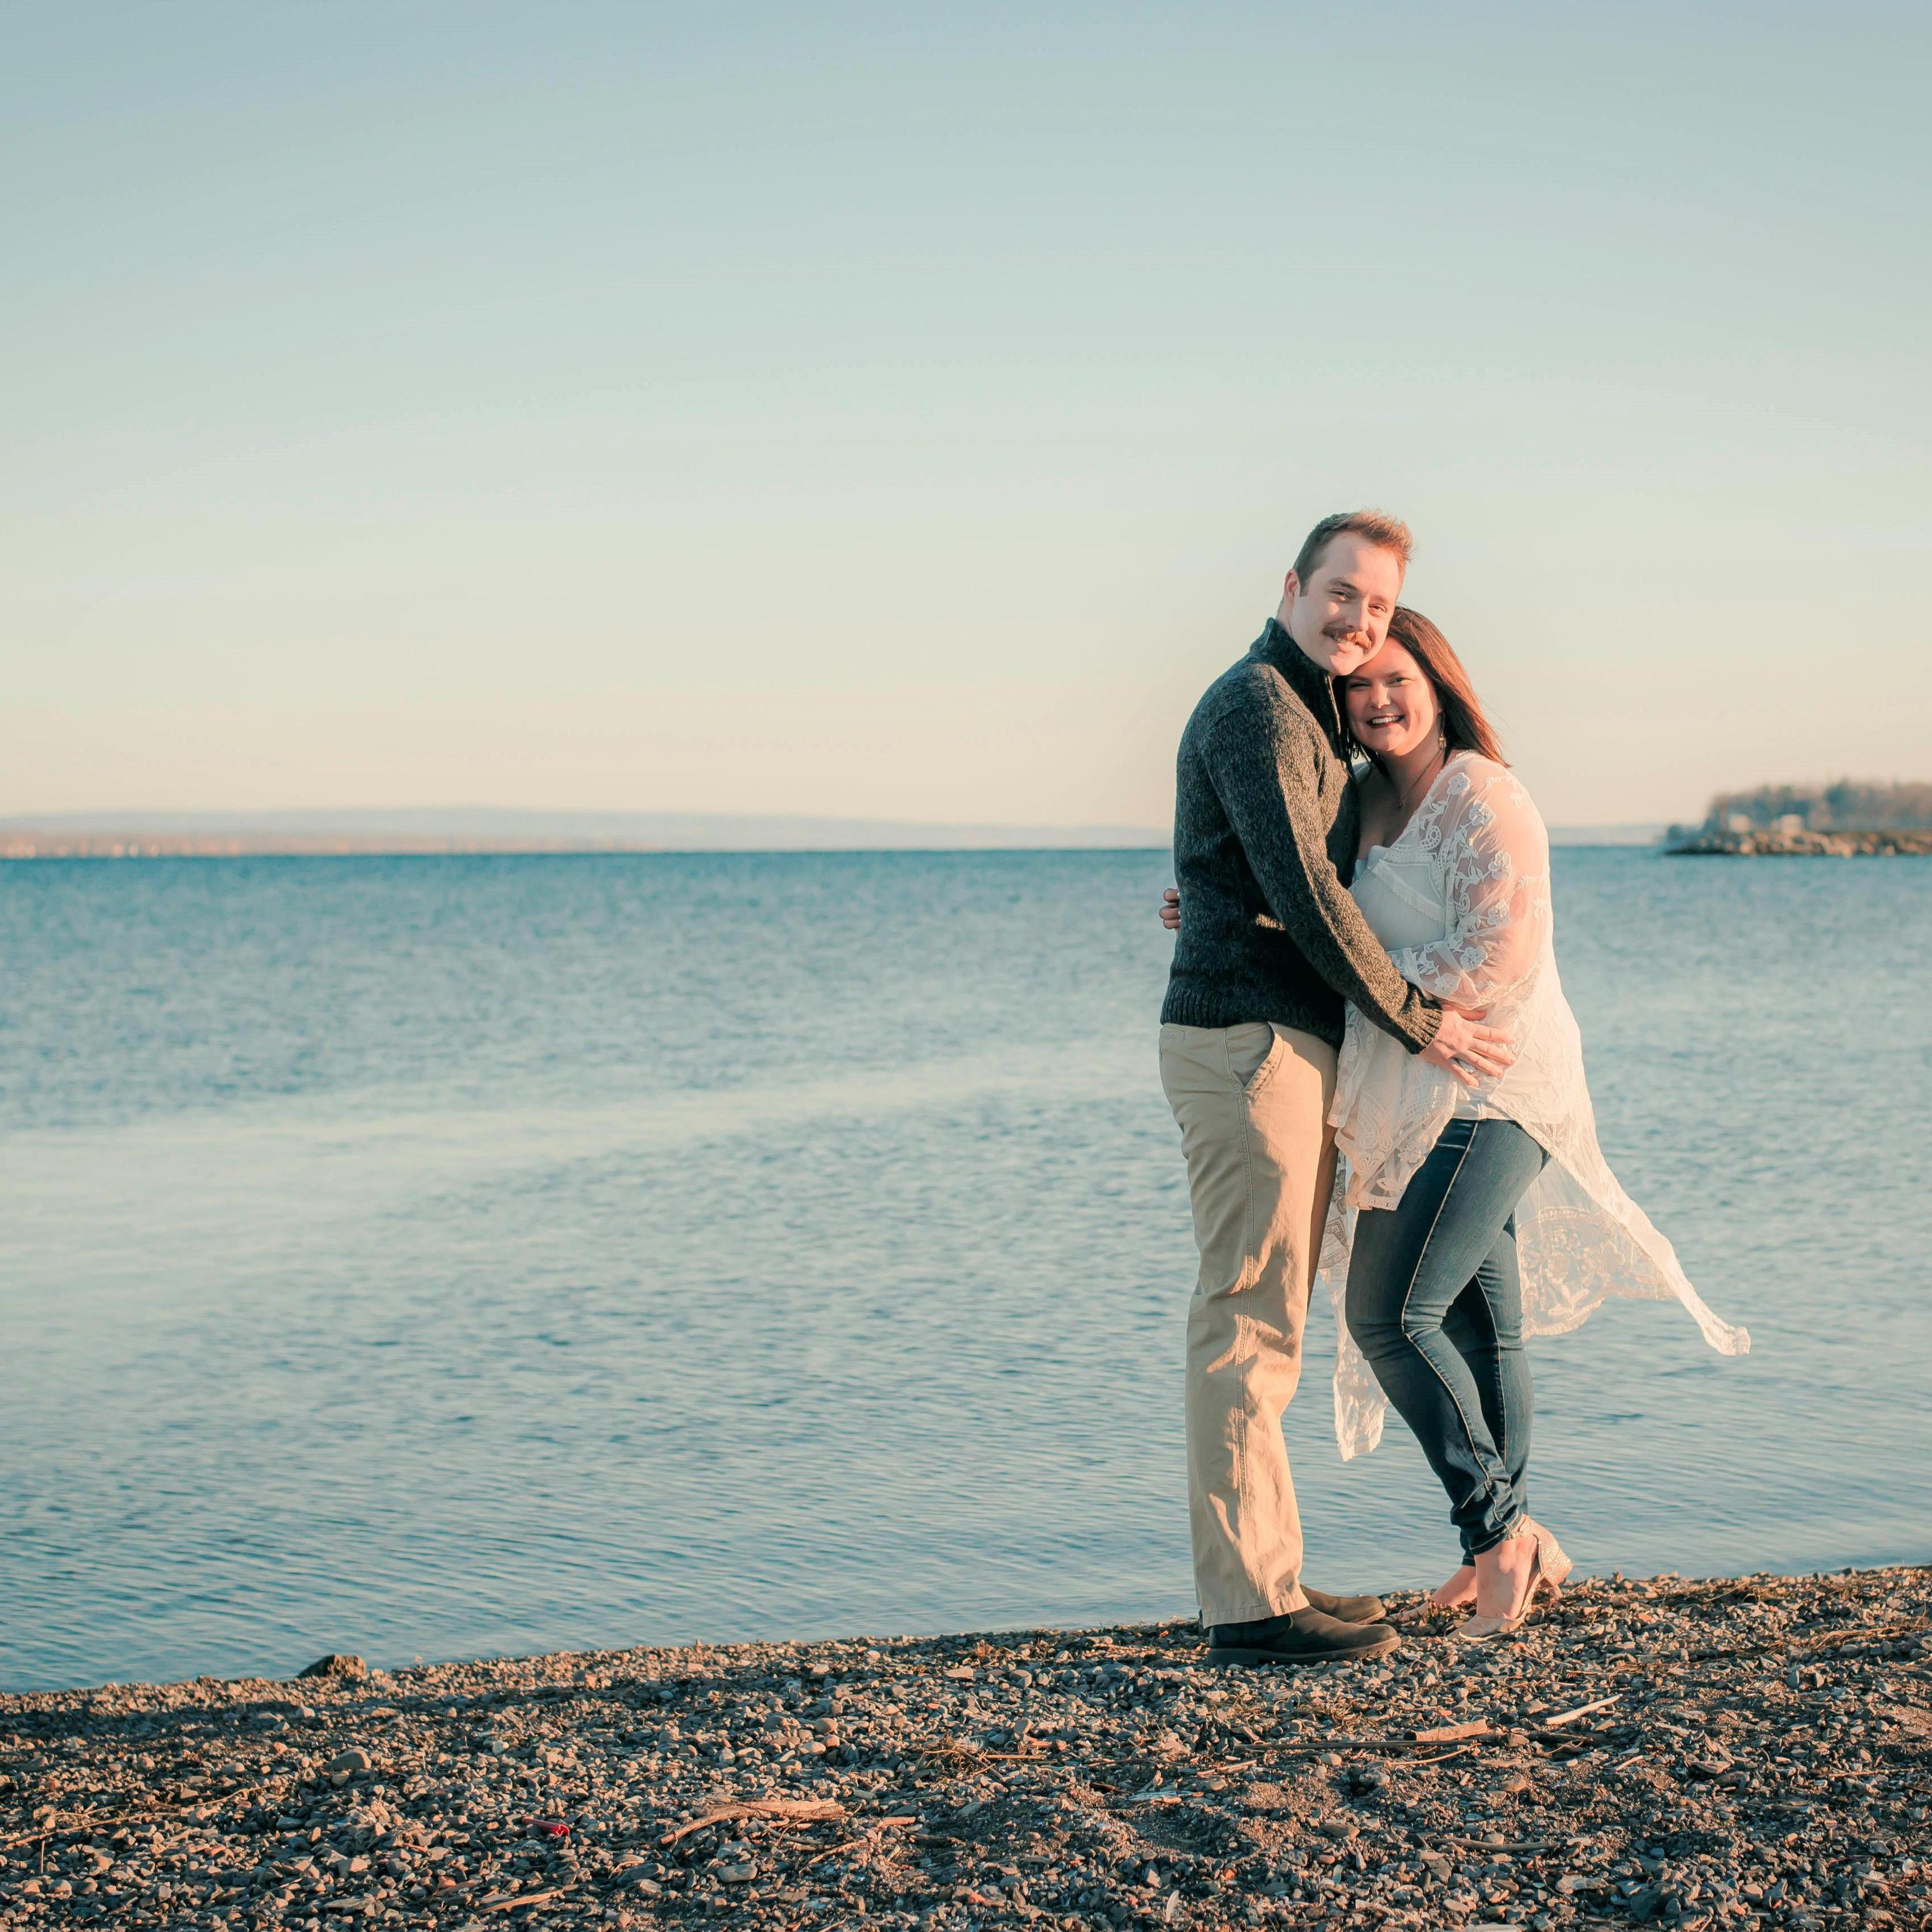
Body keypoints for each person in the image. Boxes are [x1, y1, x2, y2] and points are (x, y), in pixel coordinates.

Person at [1163, 607, 1750, 1640]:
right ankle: (1506, 1546)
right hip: (1417, 1088)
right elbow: (1308, 898)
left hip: (1495, 1090)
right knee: (1485, 1325)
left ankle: (1497, 1538)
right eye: (1358, 687)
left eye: (1399, 680)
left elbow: (1499, 956)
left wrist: (1367, 988)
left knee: (1389, 1314)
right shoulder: (1358, 802)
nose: (1378, 699)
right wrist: (1214, 908)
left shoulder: (1485, 794)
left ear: (1440, 685)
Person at [1158, 510, 1515, 1669]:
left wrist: (1202, 893)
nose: (1356, 617)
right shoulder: (1259, 703)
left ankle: (1263, 1575)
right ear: (1292, 585)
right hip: (1245, 1038)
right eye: (1341, 592)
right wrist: (1416, 1017)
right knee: (1246, 1318)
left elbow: (1279, 870)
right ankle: (1250, 1604)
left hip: (1281, 1036)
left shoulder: (1308, 707)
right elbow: (1306, 896)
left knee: (1268, 1320)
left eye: (1375, 602)